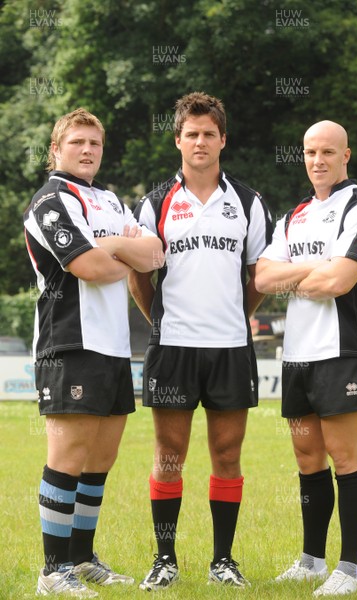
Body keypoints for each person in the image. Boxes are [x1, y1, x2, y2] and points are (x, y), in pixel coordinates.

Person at [127, 91, 273, 590]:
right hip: (173, 348)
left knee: (227, 455)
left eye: (209, 133)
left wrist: (235, 315)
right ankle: (164, 559)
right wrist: (164, 323)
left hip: (231, 348)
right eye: (192, 134)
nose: (201, 141)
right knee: (169, 454)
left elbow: (260, 278)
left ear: (223, 139)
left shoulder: (250, 203)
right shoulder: (153, 204)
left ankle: (222, 561)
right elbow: (138, 277)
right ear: (178, 141)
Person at [24, 108, 163, 597]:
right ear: (56, 149)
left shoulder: (107, 199)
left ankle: (82, 559)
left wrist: (112, 246)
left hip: (112, 347)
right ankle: (52, 570)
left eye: (95, 144)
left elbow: (154, 254)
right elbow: (92, 268)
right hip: (69, 343)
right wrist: (116, 250)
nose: (87, 151)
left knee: (100, 458)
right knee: (68, 456)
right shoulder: (50, 200)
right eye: (78, 142)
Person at [255, 120, 357, 596]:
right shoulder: (292, 217)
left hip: (344, 351)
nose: (317, 160)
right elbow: (264, 281)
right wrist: (321, 266)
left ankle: (348, 570)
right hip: (298, 355)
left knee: (345, 458)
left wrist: (301, 274)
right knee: (308, 458)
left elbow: (339, 283)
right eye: (310, 152)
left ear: (345, 155)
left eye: (327, 152)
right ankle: (312, 560)